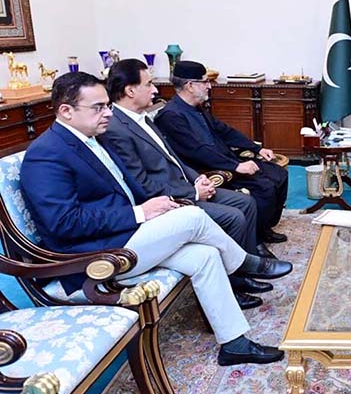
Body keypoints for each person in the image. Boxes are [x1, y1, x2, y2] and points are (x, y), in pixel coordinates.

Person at [19, 71, 293, 365]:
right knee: (192, 217)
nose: (108, 113)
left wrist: (158, 205)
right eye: (98, 107)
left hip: (126, 235)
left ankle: (234, 344)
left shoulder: (93, 138)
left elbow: (127, 187)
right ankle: (246, 262)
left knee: (205, 255)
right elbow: (64, 223)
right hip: (91, 258)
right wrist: (141, 212)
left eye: (108, 105)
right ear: (66, 111)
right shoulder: (46, 154)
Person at [101, 58, 274, 309]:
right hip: (167, 200)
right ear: (130, 90)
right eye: (149, 84)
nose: (155, 89)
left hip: (185, 185)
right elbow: (142, 184)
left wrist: (197, 178)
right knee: (233, 216)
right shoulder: (117, 128)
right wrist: (192, 192)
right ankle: (230, 289)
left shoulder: (143, 118)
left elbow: (174, 158)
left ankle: (241, 275)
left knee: (246, 202)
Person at [155, 61, 288, 246]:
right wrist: (236, 166)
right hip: (208, 169)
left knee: (279, 174)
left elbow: (224, 131)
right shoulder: (171, 116)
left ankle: (264, 227)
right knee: (264, 186)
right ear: (190, 86)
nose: (209, 85)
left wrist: (256, 148)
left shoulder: (196, 107)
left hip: (226, 160)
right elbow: (197, 151)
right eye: (205, 81)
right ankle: (255, 239)